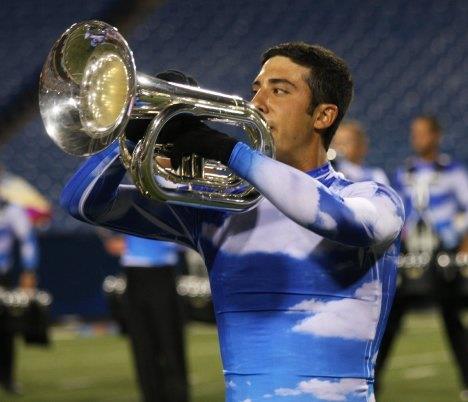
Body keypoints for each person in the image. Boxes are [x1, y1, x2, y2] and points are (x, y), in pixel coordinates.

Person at [61, 43, 404, 402]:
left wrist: (227, 150)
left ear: (323, 116)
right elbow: (83, 203)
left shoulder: (374, 198)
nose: (257, 102)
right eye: (256, 89)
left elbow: (340, 221)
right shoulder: (220, 206)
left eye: (279, 90)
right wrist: (134, 129)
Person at [375, 115, 468, 400]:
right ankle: (372, 383)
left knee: (451, 318)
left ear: (436, 136)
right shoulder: (404, 173)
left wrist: (462, 244)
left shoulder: (454, 171)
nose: (418, 138)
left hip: (443, 255)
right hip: (409, 255)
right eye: (414, 133)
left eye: (423, 133)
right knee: (391, 318)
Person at [102, 233, 188, 402]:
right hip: (134, 276)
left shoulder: (166, 208)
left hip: (162, 273)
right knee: (142, 346)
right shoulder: (126, 206)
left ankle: (178, 396)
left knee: (170, 344)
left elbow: (185, 238)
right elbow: (113, 242)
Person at [0, 196, 39, 395]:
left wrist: (29, 271)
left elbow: (27, 239)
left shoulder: (10, 210)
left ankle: (7, 379)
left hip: (2, 277)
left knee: (6, 330)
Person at [331, 120, 389, 184]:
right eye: (336, 143)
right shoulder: (331, 171)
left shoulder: (375, 175)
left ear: (361, 146)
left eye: (345, 143)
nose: (340, 148)